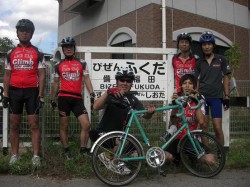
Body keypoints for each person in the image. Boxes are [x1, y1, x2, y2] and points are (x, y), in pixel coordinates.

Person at [91, 67, 155, 174]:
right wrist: (108, 92)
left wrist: (150, 112)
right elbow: (96, 107)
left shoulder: (134, 100)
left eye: (128, 81)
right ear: (117, 82)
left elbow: (145, 116)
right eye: (122, 80)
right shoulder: (111, 94)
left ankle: (111, 158)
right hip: (103, 134)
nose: (125, 83)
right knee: (125, 141)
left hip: (121, 136)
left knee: (137, 155)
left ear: (132, 84)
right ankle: (111, 160)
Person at [3, 19, 46, 166]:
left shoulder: (37, 52)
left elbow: (41, 74)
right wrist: (6, 95)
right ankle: (15, 155)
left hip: (32, 92)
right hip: (14, 92)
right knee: (14, 124)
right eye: (21, 30)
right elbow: (7, 75)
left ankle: (35, 156)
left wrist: (40, 95)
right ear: (17, 33)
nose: (24, 33)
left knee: (34, 124)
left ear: (31, 34)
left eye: (27, 31)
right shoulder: (10, 53)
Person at [50, 37, 95, 160]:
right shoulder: (58, 65)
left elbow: (86, 79)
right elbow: (55, 83)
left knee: (86, 124)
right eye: (66, 47)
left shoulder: (82, 63)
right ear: (63, 49)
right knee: (64, 126)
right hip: (63, 98)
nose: (68, 49)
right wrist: (52, 99)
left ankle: (83, 150)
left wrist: (92, 93)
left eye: (70, 47)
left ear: (74, 49)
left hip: (77, 99)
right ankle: (66, 151)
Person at [163, 74, 215, 165]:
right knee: (164, 158)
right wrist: (175, 104)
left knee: (210, 160)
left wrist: (195, 102)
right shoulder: (178, 98)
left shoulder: (199, 100)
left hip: (191, 139)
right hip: (177, 138)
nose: (187, 86)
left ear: (194, 87)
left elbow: (202, 122)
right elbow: (172, 122)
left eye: (190, 83)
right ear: (181, 86)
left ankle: (189, 158)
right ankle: (176, 158)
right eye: (184, 83)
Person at [194, 31, 231, 146]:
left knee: (217, 127)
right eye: (204, 44)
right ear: (201, 46)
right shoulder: (199, 62)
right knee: (204, 126)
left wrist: (226, 96)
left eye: (209, 44)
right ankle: (206, 151)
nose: (207, 46)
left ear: (213, 45)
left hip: (216, 97)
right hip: (203, 98)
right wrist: (196, 94)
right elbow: (197, 80)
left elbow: (225, 78)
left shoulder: (221, 59)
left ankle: (221, 153)